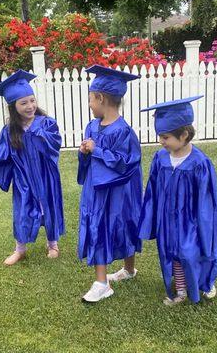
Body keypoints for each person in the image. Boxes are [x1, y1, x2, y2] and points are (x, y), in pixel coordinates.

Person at [138, 96, 217, 305]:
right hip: (168, 220)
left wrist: (203, 224)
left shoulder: (200, 163)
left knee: (190, 252)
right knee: (172, 253)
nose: (161, 141)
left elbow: (206, 199)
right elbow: (153, 191)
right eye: (160, 136)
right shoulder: (160, 158)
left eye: (166, 137)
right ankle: (181, 291)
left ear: (184, 134)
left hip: (191, 221)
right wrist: (151, 218)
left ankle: (205, 281)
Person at [0, 70, 64, 265]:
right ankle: (20, 250)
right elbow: (4, 155)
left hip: (45, 176)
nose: (30, 106)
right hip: (23, 178)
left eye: (32, 101)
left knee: (47, 207)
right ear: (13, 107)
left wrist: (39, 133)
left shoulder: (47, 123)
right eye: (23, 103)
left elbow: (55, 144)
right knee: (22, 211)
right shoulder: (9, 131)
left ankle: (52, 244)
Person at [78, 65, 143, 302]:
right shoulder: (92, 126)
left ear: (101, 98)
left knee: (124, 224)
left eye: (90, 100)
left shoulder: (124, 131)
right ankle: (101, 280)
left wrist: (98, 150)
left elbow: (128, 163)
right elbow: (91, 156)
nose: (89, 105)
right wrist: (85, 152)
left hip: (118, 192)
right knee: (99, 226)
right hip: (95, 190)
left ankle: (127, 270)